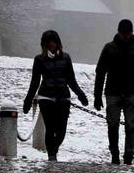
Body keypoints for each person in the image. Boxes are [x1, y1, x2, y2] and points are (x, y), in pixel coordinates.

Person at [23, 29, 90, 161]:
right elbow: (35, 82)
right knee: (50, 128)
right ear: (45, 44)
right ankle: (51, 156)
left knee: (61, 131)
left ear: (58, 43)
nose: (52, 44)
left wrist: (81, 95)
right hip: (46, 98)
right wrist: (28, 100)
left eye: (54, 41)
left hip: (63, 98)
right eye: (49, 42)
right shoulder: (39, 59)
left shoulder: (66, 58)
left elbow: (71, 80)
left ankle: (53, 149)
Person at [94, 18, 134, 165]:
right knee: (113, 124)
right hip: (113, 92)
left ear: (131, 33)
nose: (125, 36)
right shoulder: (109, 48)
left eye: (127, 33)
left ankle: (128, 155)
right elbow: (100, 73)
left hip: (131, 93)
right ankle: (115, 154)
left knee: (130, 126)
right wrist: (97, 96)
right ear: (119, 32)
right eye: (123, 33)